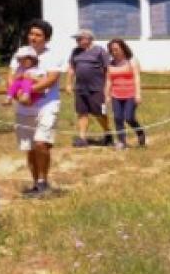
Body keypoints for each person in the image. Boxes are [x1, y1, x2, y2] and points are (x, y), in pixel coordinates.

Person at [12, 19, 64, 197]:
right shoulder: (20, 54)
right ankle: (35, 183)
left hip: (47, 104)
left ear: (46, 39)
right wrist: (18, 94)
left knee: (42, 143)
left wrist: (29, 91)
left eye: (38, 35)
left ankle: (43, 181)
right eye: (31, 34)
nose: (33, 38)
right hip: (24, 108)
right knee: (29, 147)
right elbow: (12, 76)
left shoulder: (53, 55)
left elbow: (51, 79)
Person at [67, 29, 112, 147]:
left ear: (89, 38)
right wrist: (68, 84)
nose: (77, 41)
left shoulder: (100, 51)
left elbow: (107, 71)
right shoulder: (75, 52)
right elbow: (71, 68)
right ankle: (82, 138)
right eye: (76, 39)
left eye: (79, 38)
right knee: (82, 113)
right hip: (80, 88)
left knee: (100, 113)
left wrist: (107, 89)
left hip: (97, 89)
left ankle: (108, 134)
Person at [105, 38, 145, 150]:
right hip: (116, 95)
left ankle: (140, 132)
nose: (114, 52)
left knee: (129, 117)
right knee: (118, 118)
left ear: (123, 48)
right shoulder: (110, 64)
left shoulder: (131, 61)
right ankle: (122, 142)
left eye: (116, 49)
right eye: (112, 50)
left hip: (130, 94)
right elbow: (108, 80)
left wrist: (138, 94)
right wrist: (107, 95)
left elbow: (137, 77)